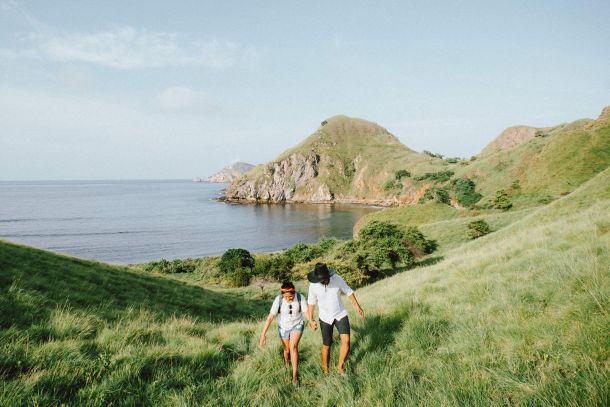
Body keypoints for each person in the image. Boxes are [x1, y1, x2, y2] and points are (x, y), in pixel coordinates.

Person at [306, 263, 364, 376]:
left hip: (340, 314)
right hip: (325, 317)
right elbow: (311, 303)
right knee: (327, 345)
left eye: (324, 279)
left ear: (328, 275)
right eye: (320, 280)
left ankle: (340, 367)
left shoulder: (337, 279)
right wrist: (311, 320)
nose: (323, 281)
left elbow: (349, 291)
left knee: (346, 341)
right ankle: (325, 370)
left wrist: (357, 307)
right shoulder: (313, 286)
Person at [259, 281, 309, 385]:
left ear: (294, 293)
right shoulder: (278, 299)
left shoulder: (300, 298)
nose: (288, 299)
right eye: (285, 297)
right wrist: (263, 334)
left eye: (290, 297)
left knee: (293, 347)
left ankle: (295, 376)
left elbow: (306, 312)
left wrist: (311, 321)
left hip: (297, 324)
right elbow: (270, 317)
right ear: (282, 295)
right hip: (283, 327)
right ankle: (287, 363)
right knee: (286, 350)